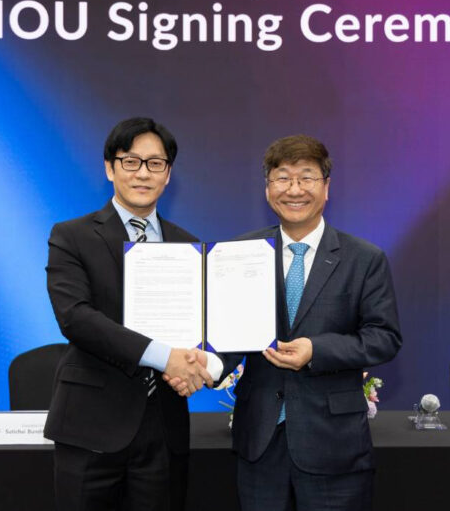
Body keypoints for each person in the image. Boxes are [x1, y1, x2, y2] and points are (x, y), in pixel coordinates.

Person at [170, 134, 401, 511]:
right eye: (282, 178)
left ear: (326, 187)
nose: (294, 189)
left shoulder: (364, 259)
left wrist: (316, 350)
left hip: (334, 445)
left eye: (306, 177)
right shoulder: (239, 253)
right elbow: (228, 336)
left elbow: (384, 338)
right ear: (267, 188)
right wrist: (205, 364)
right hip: (259, 442)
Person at [44, 117, 213, 511]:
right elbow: (76, 318)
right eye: (130, 161)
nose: (143, 173)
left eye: (155, 163)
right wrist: (165, 356)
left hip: (164, 427)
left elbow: (201, 327)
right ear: (110, 168)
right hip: (91, 425)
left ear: (168, 174)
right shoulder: (71, 235)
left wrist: (203, 362)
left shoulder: (188, 245)